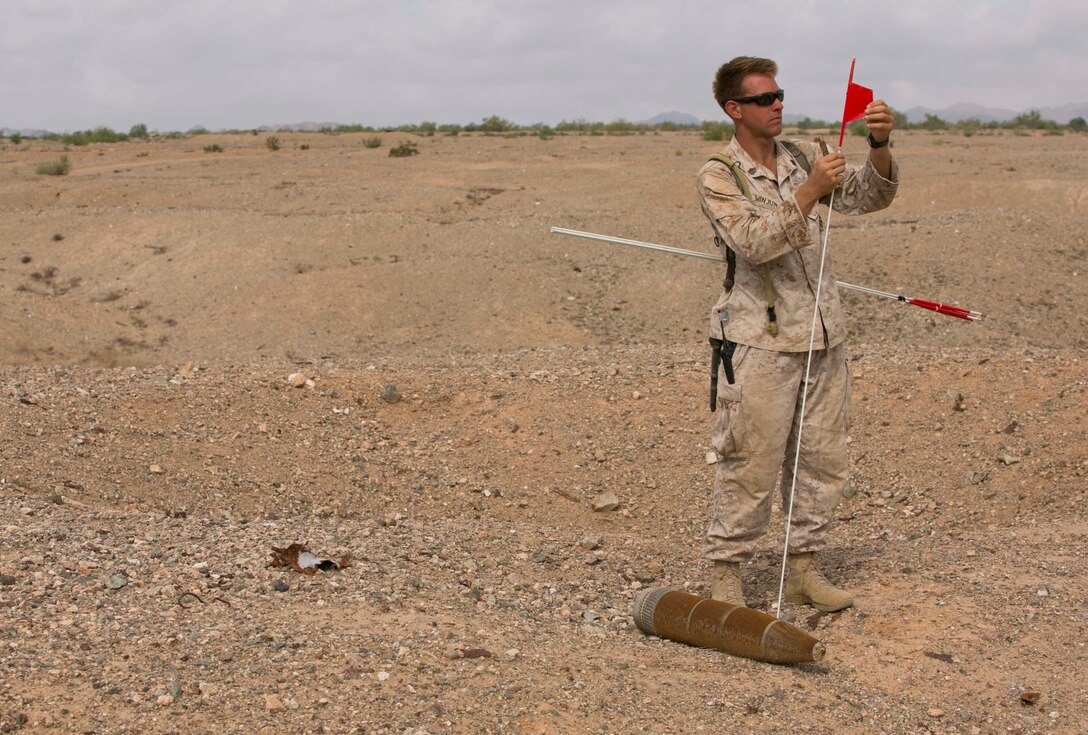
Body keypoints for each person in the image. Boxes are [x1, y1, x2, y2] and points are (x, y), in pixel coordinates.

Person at [696, 56, 898, 611]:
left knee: (821, 461)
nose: (778, 104)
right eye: (764, 99)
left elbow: (867, 196)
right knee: (750, 462)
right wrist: (809, 191)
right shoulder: (720, 174)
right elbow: (755, 242)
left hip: (823, 339)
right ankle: (727, 580)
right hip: (759, 344)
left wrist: (878, 145)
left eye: (780, 95)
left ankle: (804, 569)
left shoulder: (805, 154)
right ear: (734, 109)